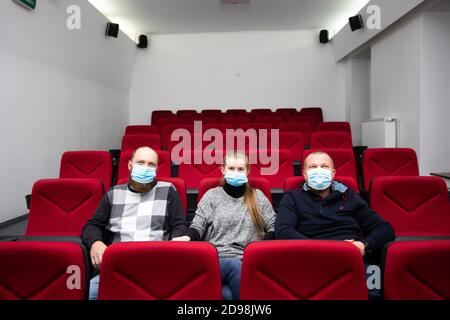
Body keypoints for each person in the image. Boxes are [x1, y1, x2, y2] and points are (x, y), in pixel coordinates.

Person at [82, 147, 188, 300]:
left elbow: (180, 225)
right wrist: (95, 243)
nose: (145, 168)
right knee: (83, 293)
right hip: (118, 269)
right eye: (140, 162)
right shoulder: (113, 194)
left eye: (151, 164)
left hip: (156, 267)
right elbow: (92, 226)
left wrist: (172, 246)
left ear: (157, 169)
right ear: (130, 166)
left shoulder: (168, 190)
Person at [173, 152, 276, 300]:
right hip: (216, 260)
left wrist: (259, 249)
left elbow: (273, 227)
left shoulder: (258, 196)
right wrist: (187, 237)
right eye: (231, 168)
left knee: (227, 295)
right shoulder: (211, 195)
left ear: (247, 171)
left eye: (240, 169)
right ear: (223, 170)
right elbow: (198, 225)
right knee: (233, 266)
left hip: (248, 261)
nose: (236, 172)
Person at [276, 151, 395, 260]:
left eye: (324, 166)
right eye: (313, 167)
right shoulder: (292, 197)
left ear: (332, 173)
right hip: (312, 257)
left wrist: (364, 245)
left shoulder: (350, 196)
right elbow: (283, 231)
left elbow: (385, 229)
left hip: (351, 256)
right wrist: (325, 249)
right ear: (305, 174)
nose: (319, 170)